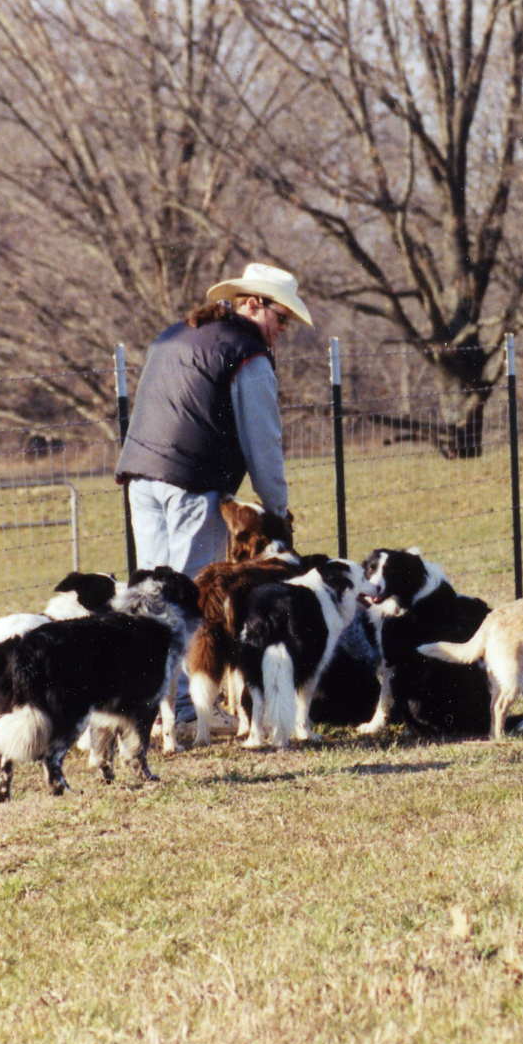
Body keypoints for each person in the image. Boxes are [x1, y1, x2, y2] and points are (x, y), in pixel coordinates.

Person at [115, 262, 310, 722]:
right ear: (253, 303)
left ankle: (146, 702)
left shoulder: (175, 335)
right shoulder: (247, 353)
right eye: (281, 319)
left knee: (152, 595)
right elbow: (263, 439)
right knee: (189, 597)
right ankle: (184, 710)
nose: (282, 331)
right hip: (194, 483)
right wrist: (276, 510)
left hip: (141, 476)